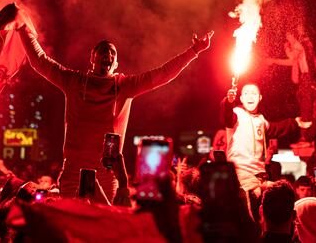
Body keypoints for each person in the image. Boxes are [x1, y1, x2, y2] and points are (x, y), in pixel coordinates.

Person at [16, 16, 213, 199]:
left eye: (112, 52)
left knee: (105, 229)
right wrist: (23, 28)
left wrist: (194, 51)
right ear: (92, 58)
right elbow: (40, 62)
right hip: (73, 171)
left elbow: (163, 74)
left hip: (107, 172)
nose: (107, 54)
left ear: (116, 63)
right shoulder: (74, 81)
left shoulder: (125, 86)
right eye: (103, 50)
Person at [220, 83, 307, 214]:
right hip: (242, 176)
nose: (250, 96)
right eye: (246, 93)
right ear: (242, 98)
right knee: (248, 217)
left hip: (260, 177)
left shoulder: (261, 119)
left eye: (253, 93)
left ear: (260, 98)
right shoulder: (236, 113)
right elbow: (226, 116)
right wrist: (228, 101)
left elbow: (276, 128)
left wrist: (295, 122)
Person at [265, 30, 316, 121]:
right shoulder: (298, 45)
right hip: (305, 76)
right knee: (303, 100)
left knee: (307, 102)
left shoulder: (298, 45)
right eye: (287, 36)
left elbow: (292, 59)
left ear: (293, 35)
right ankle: (307, 123)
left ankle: (307, 123)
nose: (287, 38)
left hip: (308, 76)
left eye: (288, 36)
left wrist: (286, 49)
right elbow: (293, 62)